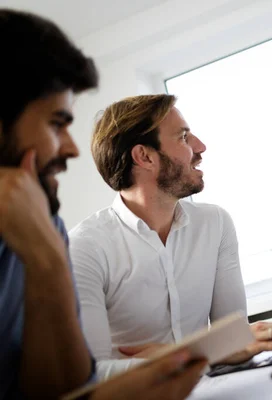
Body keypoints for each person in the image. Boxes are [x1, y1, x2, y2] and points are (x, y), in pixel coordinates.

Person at [0, 9, 206, 400]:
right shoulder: (83, 239)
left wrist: (47, 262)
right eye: (55, 124)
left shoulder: (45, 227)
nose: (72, 148)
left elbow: (65, 390)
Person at [69, 94, 272, 379]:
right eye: (183, 137)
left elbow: (235, 344)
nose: (200, 147)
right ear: (144, 156)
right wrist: (189, 356)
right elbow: (88, 376)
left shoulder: (215, 224)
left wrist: (189, 354)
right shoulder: (84, 248)